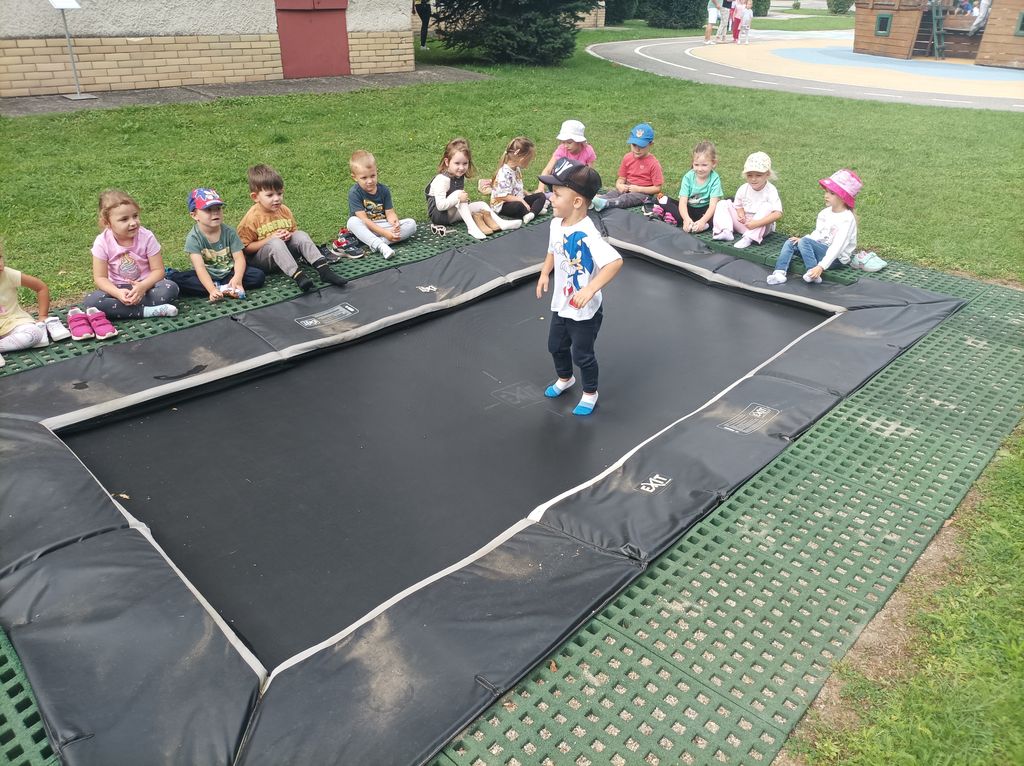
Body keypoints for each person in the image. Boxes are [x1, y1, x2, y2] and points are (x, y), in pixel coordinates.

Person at [535, 158, 623, 417]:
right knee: (555, 346)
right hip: (562, 304)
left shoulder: (588, 234)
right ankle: (565, 378)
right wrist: (545, 273)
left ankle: (590, 393)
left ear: (576, 202)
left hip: (584, 311)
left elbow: (615, 262)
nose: (551, 198)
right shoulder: (556, 223)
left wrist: (590, 289)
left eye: (557, 194)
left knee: (582, 355)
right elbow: (553, 249)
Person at [238, 164, 347, 290]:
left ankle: (324, 270)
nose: (277, 199)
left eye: (279, 193)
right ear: (255, 197)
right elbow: (246, 249)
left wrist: (289, 235)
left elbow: (294, 232)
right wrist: (270, 239)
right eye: (270, 195)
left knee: (300, 235)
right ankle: (299, 277)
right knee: (275, 243)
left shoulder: (284, 210)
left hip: (286, 255)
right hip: (263, 262)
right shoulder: (251, 218)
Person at [83, 189, 179, 320]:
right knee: (91, 301)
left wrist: (143, 286)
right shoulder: (102, 242)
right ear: (107, 223)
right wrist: (117, 293)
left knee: (170, 288)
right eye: (124, 219)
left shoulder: (147, 237)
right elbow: (100, 278)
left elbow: (158, 270)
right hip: (118, 289)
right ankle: (148, 311)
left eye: (135, 216)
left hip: (147, 286)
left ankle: (125, 310)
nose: (133, 222)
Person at [169, 188, 268, 300]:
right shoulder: (194, 238)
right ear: (194, 215)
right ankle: (221, 288)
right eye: (208, 210)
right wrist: (211, 290)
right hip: (207, 275)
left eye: (218, 208)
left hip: (228, 272)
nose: (215, 212)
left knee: (257, 276)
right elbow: (200, 268)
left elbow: (239, 259)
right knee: (180, 281)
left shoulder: (229, 232)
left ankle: (226, 286)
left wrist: (237, 278)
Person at [767, 169, 861, 286]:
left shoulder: (847, 219)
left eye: (832, 193)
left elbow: (838, 247)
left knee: (805, 241)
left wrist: (821, 267)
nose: (826, 195)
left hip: (836, 259)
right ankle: (779, 273)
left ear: (843, 198)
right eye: (826, 191)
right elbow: (818, 233)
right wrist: (803, 241)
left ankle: (812, 273)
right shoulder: (825, 213)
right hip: (820, 250)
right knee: (791, 242)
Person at [427, 138, 519, 239]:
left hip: (451, 215)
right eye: (457, 163)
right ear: (447, 162)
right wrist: (458, 198)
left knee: (481, 204)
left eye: (465, 163)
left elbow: (456, 200)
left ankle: (501, 223)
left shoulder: (459, 176)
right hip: (439, 217)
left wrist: (463, 200)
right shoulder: (442, 179)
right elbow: (440, 206)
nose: (461, 167)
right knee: (460, 193)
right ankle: (472, 228)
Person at [346, 150, 418, 259]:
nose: (370, 181)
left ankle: (377, 243)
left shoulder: (384, 190)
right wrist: (385, 232)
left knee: (411, 224)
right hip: (365, 226)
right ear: (355, 177)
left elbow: (390, 213)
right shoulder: (354, 193)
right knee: (352, 222)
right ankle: (381, 246)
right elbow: (364, 220)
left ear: (377, 172)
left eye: (372, 176)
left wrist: (395, 223)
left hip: (382, 224)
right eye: (364, 178)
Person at [0, 240, 57, 366]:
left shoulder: (8, 274)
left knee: (35, 334)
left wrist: (43, 316)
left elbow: (41, 287)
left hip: (12, 322)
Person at [712, 151, 783, 248]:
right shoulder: (743, 188)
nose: (753, 179)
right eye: (750, 175)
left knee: (767, 206)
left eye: (758, 175)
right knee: (723, 203)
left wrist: (756, 223)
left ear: (767, 174)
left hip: (761, 227)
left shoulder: (771, 190)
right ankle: (726, 231)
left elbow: (778, 213)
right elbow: (738, 206)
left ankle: (748, 238)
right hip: (745, 224)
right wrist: (741, 214)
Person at [652, 140, 722, 233]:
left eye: (704, 165)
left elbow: (713, 205)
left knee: (721, 208)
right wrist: (686, 219)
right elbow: (683, 202)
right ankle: (664, 207)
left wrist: (703, 221)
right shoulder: (688, 177)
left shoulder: (714, 179)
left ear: (713, 163)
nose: (700, 169)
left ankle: (704, 225)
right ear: (692, 163)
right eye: (696, 165)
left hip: (705, 210)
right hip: (688, 209)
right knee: (665, 201)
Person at [591, 123, 663, 211]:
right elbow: (622, 178)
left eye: (641, 146)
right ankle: (595, 201)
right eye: (634, 145)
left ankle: (606, 203)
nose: (637, 149)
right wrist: (619, 185)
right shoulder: (627, 157)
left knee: (626, 199)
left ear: (651, 144)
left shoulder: (654, 163)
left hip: (643, 193)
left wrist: (639, 189)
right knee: (613, 193)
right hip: (627, 188)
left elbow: (657, 188)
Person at [490, 137, 547, 224]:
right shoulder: (504, 173)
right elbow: (503, 196)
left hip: (518, 198)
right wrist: (521, 201)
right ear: (522, 159)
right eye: (529, 159)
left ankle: (531, 213)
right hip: (504, 204)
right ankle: (533, 211)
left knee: (541, 196)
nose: (529, 162)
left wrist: (527, 194)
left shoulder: (516, 169)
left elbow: (516, 187)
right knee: (518, 206)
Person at [535, 119, 597, 194]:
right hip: (560, 182)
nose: (566, 146)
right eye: (563, 142)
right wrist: (540, 188)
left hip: (578, 183)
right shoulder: (562, 149)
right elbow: (548, 169)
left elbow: (590, 174)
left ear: (579, 141)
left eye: (569, 142)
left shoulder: (588, 150)